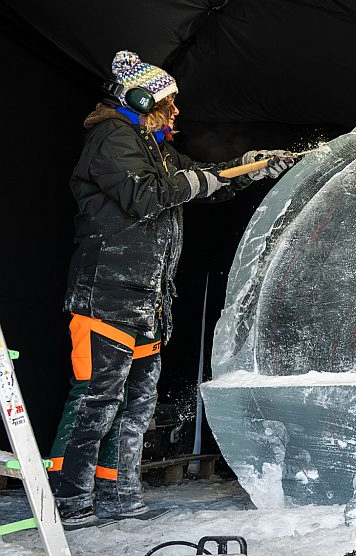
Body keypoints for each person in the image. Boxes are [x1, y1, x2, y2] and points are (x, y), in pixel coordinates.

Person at [50, 50, 300, 527]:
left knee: (137, 404)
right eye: (170, 102)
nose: (177, 111)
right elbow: (145, 195)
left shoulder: (156, 148)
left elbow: (204, 179)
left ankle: (119, 493)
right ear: (141, 100)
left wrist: (248, 167)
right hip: (108, 291)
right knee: (96, 398)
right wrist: (199, 179)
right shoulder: (111, 138)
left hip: (148, 297)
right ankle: (68, 497)